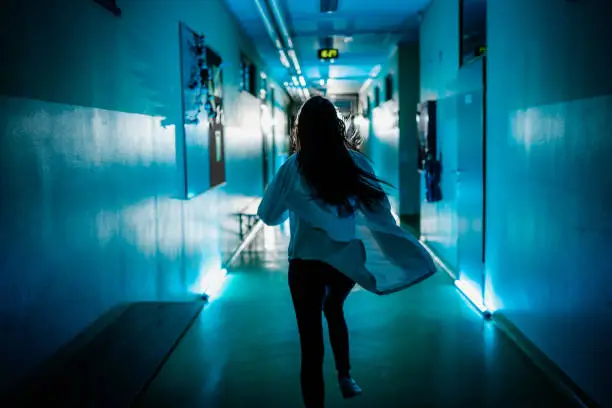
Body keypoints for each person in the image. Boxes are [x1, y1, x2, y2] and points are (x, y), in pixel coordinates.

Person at [257, 96, 436, 408]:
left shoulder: (292, 167)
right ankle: (345, 374)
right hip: (343, 264)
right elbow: (383, 215)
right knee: (334, 309)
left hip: (304, 268)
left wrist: (291, 199)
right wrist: (403, 250)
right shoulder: (357, 163)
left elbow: (269, 216)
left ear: (301, 129)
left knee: (310, 347)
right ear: (336, 126)